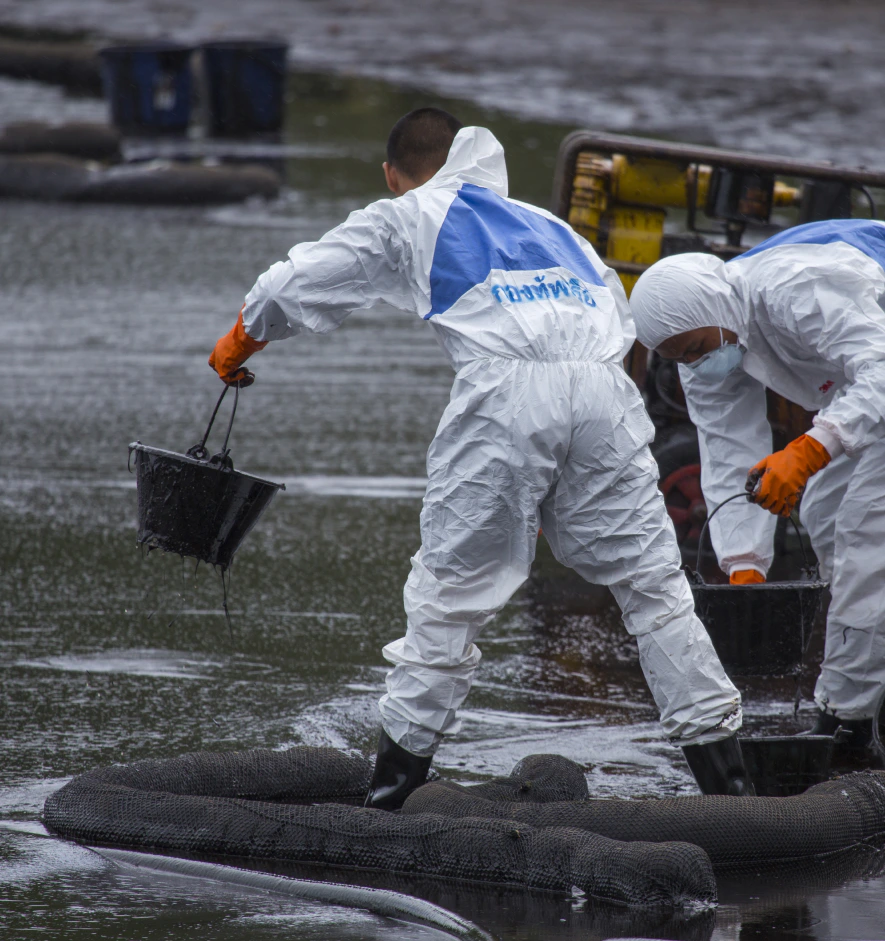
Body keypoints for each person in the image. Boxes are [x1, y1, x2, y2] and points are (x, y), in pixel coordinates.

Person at [209, 107, 749, 806]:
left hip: (507, 397)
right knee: (655, 591)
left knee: (450, 597)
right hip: (605, 393)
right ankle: (732, 793)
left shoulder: (414, 213)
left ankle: (391, 795)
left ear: (392, 176)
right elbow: (614, 317)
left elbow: (296, 282)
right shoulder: (552, 227)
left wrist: (242, 338)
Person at [629, 219, 885, 768]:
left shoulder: (795, 291)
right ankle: (867, 686)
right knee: (826, 514)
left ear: (714, 309)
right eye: (680, 358)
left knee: (868, 544)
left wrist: (811, 449)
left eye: (696, 349)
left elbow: (881, 366)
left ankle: (848, 725)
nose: (695, 363)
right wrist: (745, 564)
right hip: (860, 390)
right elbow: (728, 449)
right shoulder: (703, 339)